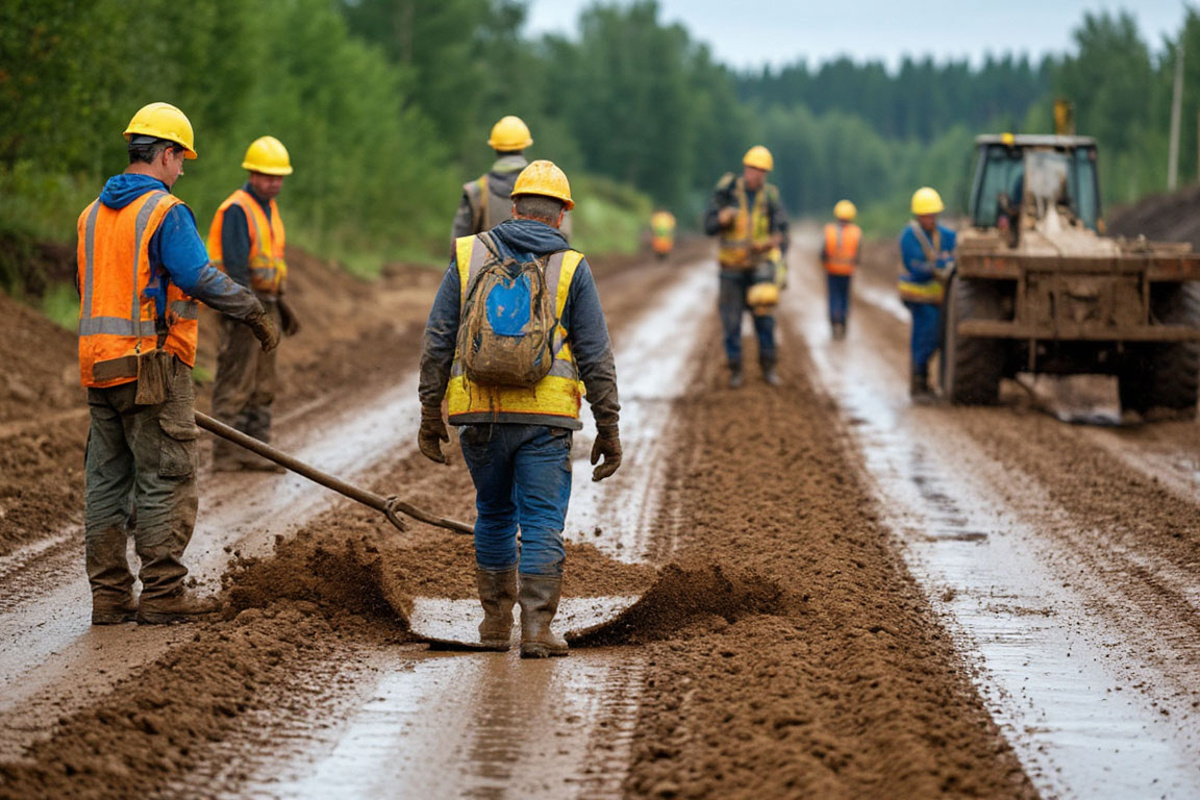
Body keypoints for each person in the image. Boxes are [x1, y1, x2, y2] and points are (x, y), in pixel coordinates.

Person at [77, 103, 279, 625]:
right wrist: (253, 312)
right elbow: (198, 276)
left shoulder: (90, 216)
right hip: (155, 368)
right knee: (166, 475)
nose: (182, 169)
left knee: (106, 480)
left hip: (99, 368)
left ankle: (109, 598)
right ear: (164, 154)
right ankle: (164, 596)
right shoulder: (166, 212)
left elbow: (88, 288)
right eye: (180, 158)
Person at [418, 160, 622, 658]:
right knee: (541, 524)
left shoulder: (469, 254)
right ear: (561, 215)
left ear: (513, 206)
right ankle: (535, 631)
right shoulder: (572, 266)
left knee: (492, 514)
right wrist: (609, 426)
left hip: (478, 413)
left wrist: (430, 411)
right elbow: (595, 356)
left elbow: (438, 339)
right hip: (546, 419)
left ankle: (493, 627)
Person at [207, 136, 299, 472]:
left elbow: (268, 262)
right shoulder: (237, 208)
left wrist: (279, 306)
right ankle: (228, 452)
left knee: (263, 380)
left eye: (279, 177)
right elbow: (235, 269)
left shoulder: (268, 208)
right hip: (241, 307)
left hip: (266, 304)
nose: (275, 183)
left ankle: (257, 448)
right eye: (268, 176)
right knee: (237, 378)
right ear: (252, 173)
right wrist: (249, 312)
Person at [703, 145, 789, 387]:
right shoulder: (727, 192)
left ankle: (769, 368)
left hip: (760, 269)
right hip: (731, 269)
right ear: (745, 168)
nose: (756, 173)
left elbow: (783, 230)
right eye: (753, 168)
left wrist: (775, 243)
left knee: (766, 321)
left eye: (762, 170)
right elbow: (708, 226)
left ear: (767, 173)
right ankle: (735, 371)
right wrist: (721, 219)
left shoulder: (770, 197)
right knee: (731, 323)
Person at [899, 186, 956, 404]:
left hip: (937, 299)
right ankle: (919, 384)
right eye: (927, 215)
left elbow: (956, 243)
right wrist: (939, 264)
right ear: (918, 215)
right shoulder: (910, 237)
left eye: (934, 214)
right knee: (925, 338)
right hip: (919, 298)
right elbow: (916, 268)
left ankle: (924, 382)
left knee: (935, 337)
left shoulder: (944, 235)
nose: (931, 219)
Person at [449, 115, 534, 246]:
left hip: (484, 265)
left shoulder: (476, 190)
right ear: (524, 147)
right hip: (533, 266)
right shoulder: (540, 189)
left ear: (495, 147)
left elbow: (459, 244)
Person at [822, 199, 861, 340]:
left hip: (832, 270)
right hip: (847, 271)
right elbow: (858, 255)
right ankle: (843, 319)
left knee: (834, 296)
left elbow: (823, 253)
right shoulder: (856, 232)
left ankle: (834, 318)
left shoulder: (829, 230)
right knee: (845, 297)